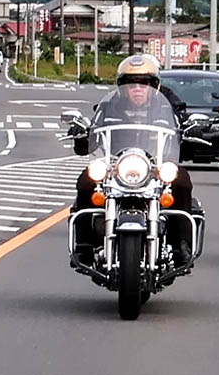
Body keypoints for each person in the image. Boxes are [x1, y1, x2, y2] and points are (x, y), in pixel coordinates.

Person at [70, 54, 199, 264]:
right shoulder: (109, 105)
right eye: (131, 84)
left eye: (144, 83)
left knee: (181, 180)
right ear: (122, 86)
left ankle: (180, 244)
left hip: (156, 164)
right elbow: (90, 136)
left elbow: (182, 127)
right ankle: (84, 244)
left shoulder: (168, 105)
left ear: (155, 85)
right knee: (86, 180)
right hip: (115, 165)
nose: (138, 88)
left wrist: (193, 131)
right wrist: (81, 133)